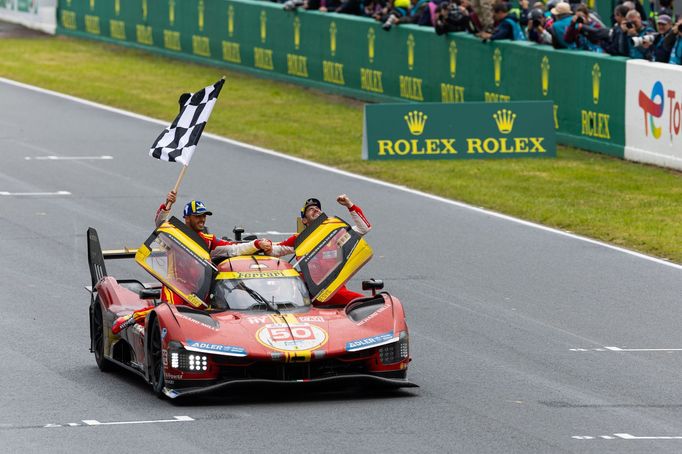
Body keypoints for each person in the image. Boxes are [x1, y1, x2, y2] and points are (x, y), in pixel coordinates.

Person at [112, 192, 272, 334]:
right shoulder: (173, 232)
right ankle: (133, 317)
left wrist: (256, 244)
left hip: (197, 291)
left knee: (201, 320)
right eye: (198, 216)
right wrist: (168, 204)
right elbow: (160, 222)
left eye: (204, 216)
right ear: (187, 218)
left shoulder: (208, 240)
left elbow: (233, 249)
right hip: (174, 286)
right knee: (168, 315)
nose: (202, 219)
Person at [269, 195, 371, 306]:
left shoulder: (336, 233)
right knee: (367, 304)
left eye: (317, 208)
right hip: (315, 293)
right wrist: (257, 244)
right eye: (310, 209)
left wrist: (349, 204)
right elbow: (274, 250)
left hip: (336, 288)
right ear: (304, 220)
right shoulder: (300, 239)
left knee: (368, 304)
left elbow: (364, 228)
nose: (316, 210)